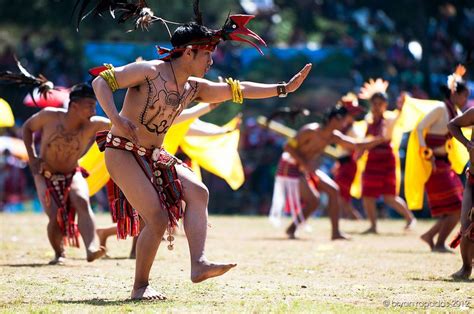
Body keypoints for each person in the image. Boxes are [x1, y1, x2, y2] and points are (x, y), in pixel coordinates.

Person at [92, 19, 312, 300]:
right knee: (157, 219)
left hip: (154, 155)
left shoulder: (193, 88)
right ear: (188, 53)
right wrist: (116, 119)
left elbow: (239, 90)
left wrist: (284, 88)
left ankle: (199, 264)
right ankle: (140, 287)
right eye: (207, 54)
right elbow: (101, 81)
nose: (211, 60)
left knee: (198, 191)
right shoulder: (148, 71)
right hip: (121, 150)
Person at [22, 83, 109, 264]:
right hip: (45, 173)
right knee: (54, 215)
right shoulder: (49, 116)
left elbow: (122, 124)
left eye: (95, 106)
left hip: (72, 172)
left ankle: (91, 248)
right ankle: (58, 253)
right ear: (74, 106)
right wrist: (33, 158)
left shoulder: (95, 124)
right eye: (89, 106)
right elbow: (27, 128)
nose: (93, 111)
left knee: (82, 200)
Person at [269, 105, 384, 240]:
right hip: (290, 167)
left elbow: (356, 145)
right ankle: (292, 229)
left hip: (306, 168)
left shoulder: (333, 136)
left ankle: (335, 233)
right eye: (344, 120)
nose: (345, 124)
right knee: (314, 201)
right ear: (335, 119)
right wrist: (305, 164)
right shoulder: (310, 130)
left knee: (333, 190)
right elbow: (288, 146)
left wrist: (378, 140)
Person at [417, 66, 469, 252]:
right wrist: (426, 153)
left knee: (454, 208)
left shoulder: (454, 111)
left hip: (444, 164)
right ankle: (438, 243)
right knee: (456, 208)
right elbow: (419, 128)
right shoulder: (441, 108)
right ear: (455, 93)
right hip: (435, 164)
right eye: (464, 95)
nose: (465, 100)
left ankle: (430, 236)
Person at [358, 79, 416, 234]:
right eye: (374, 103)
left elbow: (401, 113)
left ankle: (410, 219)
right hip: (372, 159)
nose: (376, 107)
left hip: (387, 159)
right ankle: (373, 226)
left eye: (380, 103)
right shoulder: (369, 120)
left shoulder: (390, 118)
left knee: (389, 196)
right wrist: (360, 152)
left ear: (385, 104)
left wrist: (403, 102)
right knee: (368, 194)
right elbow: (365, 138)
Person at [448, 107, 474, 279]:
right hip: (473, 181)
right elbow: (452, 125)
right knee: (466, 226)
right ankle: (466, 268)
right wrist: (466, 142)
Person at [332, 93, 364, 220]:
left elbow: (360, 147)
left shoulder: (353, 130)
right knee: (341, 194)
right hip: (344, 163)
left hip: (349, 164)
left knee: (341, 194)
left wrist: (353, 159)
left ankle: (353, 217)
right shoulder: (344, 129)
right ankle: (351, 217)